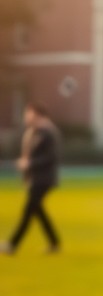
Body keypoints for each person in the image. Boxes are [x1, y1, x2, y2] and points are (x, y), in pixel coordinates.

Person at [1, 103, 62, 256]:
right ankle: (54, 242)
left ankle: (12, 244)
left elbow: (50, 157)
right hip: (34, 178)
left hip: (43, 179)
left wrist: (29, 163)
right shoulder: (34, 132)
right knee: (38, 211)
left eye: (30, 114)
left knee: (28, 211)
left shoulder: (48, 133)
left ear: (38, 115)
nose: (26, 118)